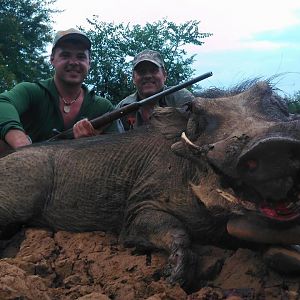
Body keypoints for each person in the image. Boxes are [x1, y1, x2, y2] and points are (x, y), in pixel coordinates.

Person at [0, 28, 118, 151]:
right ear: (52, 59)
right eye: (65, 55)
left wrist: (90, 145)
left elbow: (116, 153)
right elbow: (3, 102)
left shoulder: (104, 108)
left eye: (81, 56)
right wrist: (20, 141)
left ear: (89, 63)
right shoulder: (30, 92)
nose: (73, 62)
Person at [116, 49, 195, 131]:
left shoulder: (182, 99)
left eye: (153, 70)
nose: (147, 76)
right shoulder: (123, 107)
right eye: (141, 72)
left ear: (164, 75)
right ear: (133, 78)